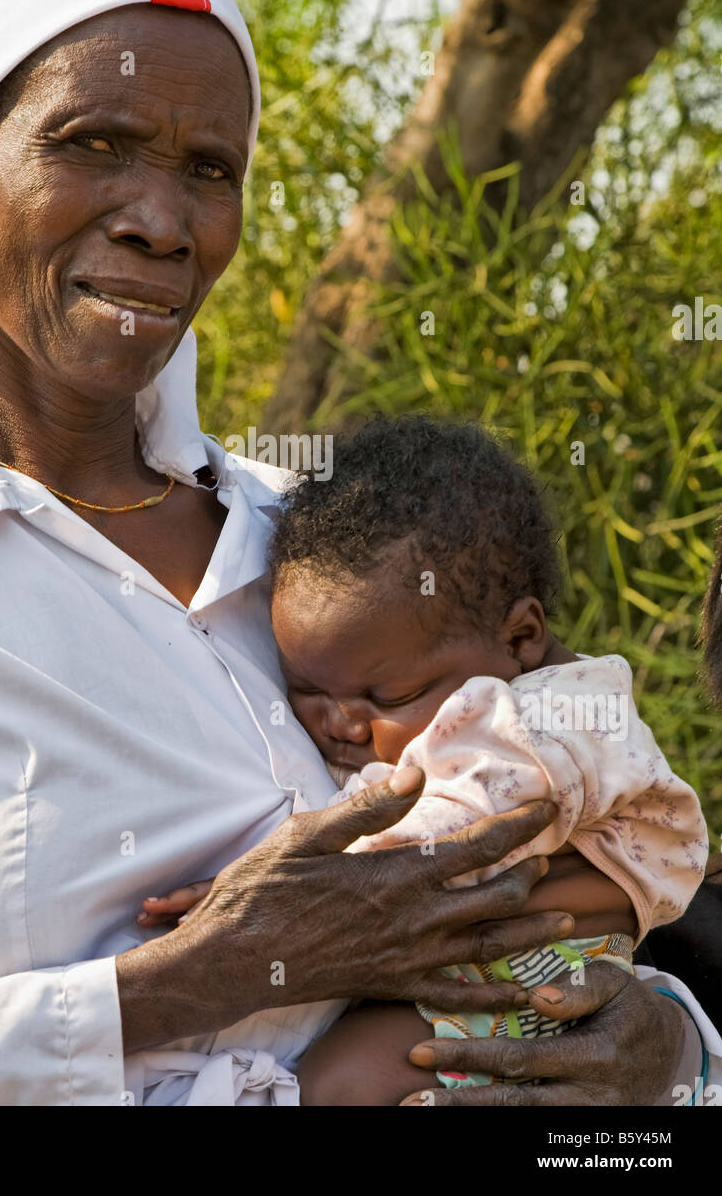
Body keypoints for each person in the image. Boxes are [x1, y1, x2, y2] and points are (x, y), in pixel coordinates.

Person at [0, 0, 717, 1106]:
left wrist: (668, 1043)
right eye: (95, 144)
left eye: (212, 168)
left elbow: (589, 845)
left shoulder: (332, 549)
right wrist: (204, 971)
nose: (164, 218)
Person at [264, 416, 708, 1102]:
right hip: (509, 977)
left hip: (535, 984)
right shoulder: (476, 692)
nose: (342, 723)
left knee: (340, 1085)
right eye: (306, 692)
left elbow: (453, 835)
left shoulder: (547, 725)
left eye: (387, 694)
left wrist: (293, 892)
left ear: (522, 636)